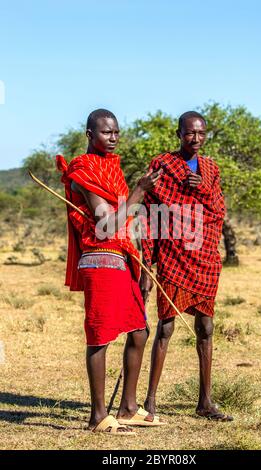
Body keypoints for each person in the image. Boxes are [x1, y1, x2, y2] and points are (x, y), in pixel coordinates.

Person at [57, 108, 163, 435]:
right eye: (106, 132)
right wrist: (140, 191)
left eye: (116, 132)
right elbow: (106, 225)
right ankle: (98, 416)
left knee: (140, 330)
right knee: (101, 336)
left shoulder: (111, 167)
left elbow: (125, 225)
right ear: (89, 134)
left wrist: (140, 263)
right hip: (99, 258)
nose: (113, 138)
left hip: (121, 258)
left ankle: (129, 407)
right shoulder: (83, 169)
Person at [140, 111, 233, 422]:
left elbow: (218, 210)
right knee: (165, 327)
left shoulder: (210, 169)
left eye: (201, 133)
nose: (195, 138)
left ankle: (205, 401)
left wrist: (202, 187)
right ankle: (149, 402)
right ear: (178, 133)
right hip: (172, 255)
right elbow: (151, 215)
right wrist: (145, 265)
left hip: (204, 256)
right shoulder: (162, 165)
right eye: (190, 133)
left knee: (206, 328)